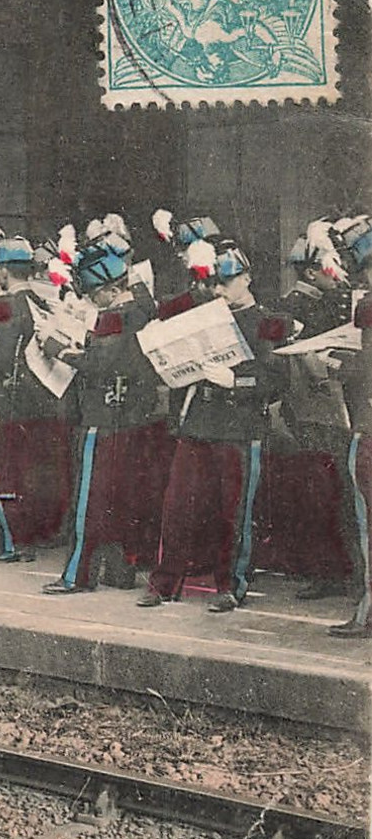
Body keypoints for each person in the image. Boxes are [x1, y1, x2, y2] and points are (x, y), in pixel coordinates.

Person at [139, 237, 287, 613]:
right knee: (177, 506)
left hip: (239, 425)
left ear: (247, 278)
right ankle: (165, 582)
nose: (219, 290)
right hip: (199, 422)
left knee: (233, 511)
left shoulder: (267, 322)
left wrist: (236, 381)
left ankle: (230, 584)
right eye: (214, 283)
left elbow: (275, 380)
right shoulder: (205, 314)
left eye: (227, 281)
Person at [39, 231, 168, 593]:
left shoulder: (115, 315)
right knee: (122, 499)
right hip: (133, 418)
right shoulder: (144, 307)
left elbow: (99, 362)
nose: (93, 302)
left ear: (110, 291)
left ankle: (76, 576)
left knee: (88, 500)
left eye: (95, 295)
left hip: (102, 417)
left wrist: (58, 348)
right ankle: (119, 570)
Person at [264, 220, 356, 598]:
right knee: (323, 494)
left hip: (329, 411)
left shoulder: (329, 301)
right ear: (313, 271)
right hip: (313, 411)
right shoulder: (292, 308)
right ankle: (326, 570)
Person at [0, 226, 70, 561]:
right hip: (38, 400)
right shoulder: (39, 301)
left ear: (2, 270)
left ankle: (8, 541)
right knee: (30, 471)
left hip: (5, 401)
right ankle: (32, 535)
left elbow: (1, 359)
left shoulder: (5, 305)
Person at [330, 214, 372, 637]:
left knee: (367, 524)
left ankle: (368, 613)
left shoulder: (368, 306)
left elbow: (366, 367)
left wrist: (337, 365)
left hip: (370, 426)